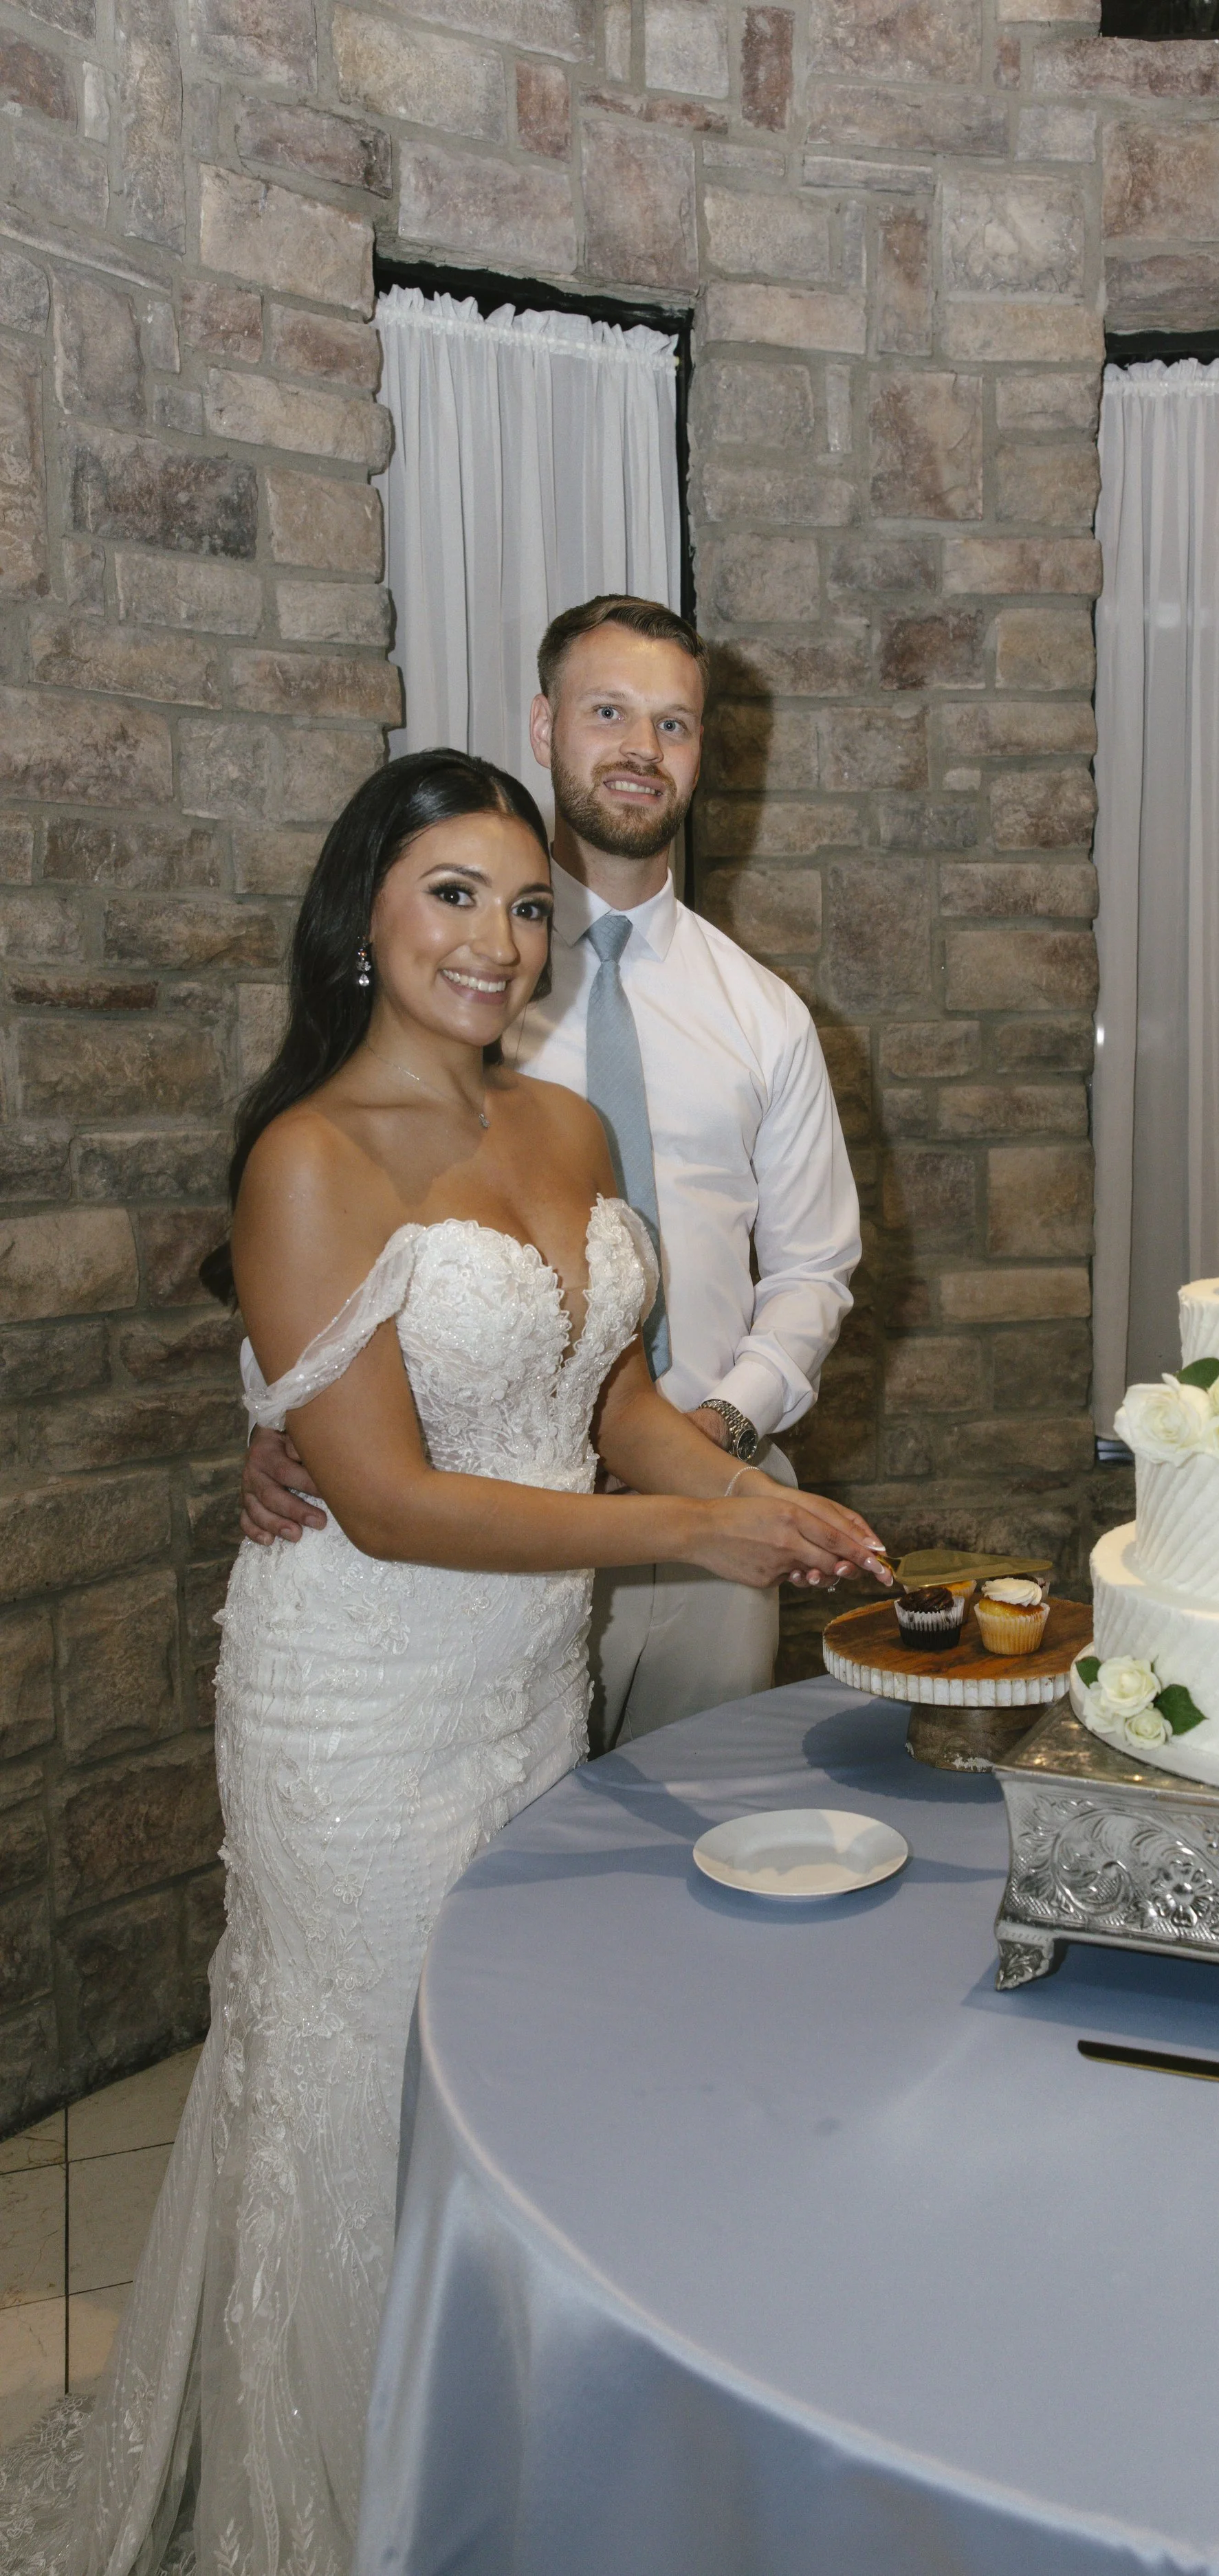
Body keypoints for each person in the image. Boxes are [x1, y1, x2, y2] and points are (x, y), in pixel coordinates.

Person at [9, 750, 886, 2576]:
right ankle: (347, 2505)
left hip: (516, 1696)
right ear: (365, 916)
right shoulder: (308, 1160)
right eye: (454, 895)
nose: (499, 939)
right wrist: (688, 1535)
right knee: (361, 2097)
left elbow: (610, 1401)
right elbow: (395, 1501)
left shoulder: (563, 1132)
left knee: (496, 2074)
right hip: (356, 1702)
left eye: (526, 902)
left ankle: (496, 2461)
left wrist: (759, 1501)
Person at [239, 595, 864, 1751]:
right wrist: (299, 1419)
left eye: (672, 725)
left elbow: (815, 1267)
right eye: (608, 712)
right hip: (437, 1563)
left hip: (697, 1467)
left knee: (677, 1850)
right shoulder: (457, 1001)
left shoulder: (761, 1020)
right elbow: (332, 1250)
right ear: (545, 727)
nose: (638, 748)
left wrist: (731, 1461)